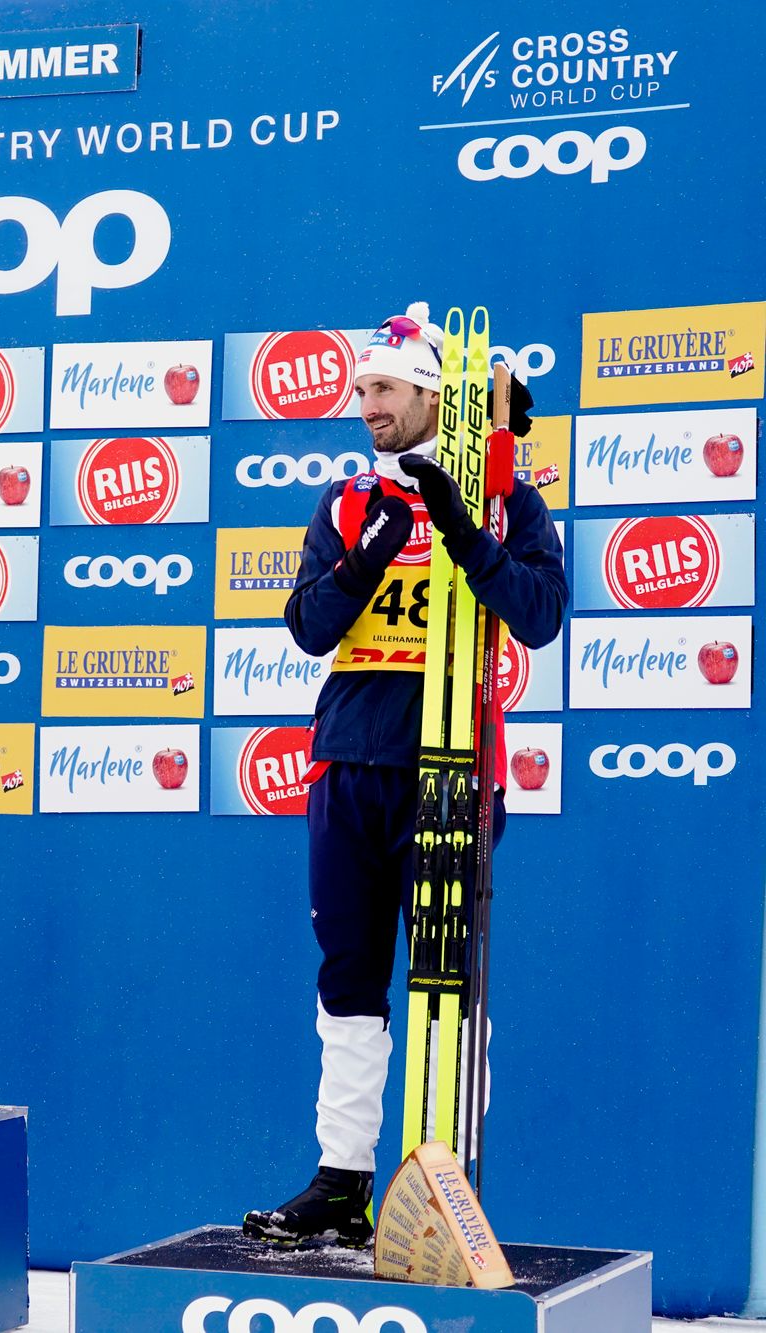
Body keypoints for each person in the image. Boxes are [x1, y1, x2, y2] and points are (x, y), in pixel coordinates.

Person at [244, 305, 566, 1244]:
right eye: (359, 390)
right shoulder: (350, 500)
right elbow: (306, 627)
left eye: (382, 389)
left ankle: (446, 1186)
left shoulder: (505, 498)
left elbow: (541, 613)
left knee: (448, 984)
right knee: (347, 976)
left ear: (431, 393)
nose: (365, 405)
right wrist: (370, 553)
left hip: (454, 764)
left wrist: (470, 534)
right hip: (349, 764)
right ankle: (343, 1182)